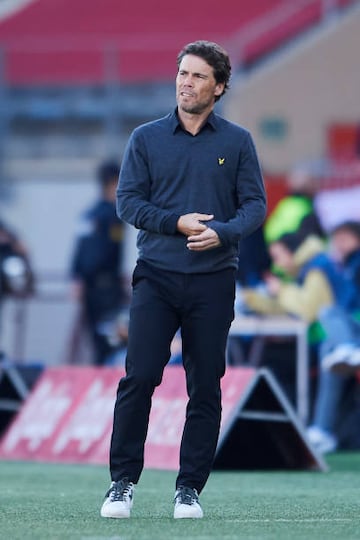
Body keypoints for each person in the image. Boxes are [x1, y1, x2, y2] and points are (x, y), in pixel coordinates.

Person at [100, 40, 266, 520]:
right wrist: (176, 223)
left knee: (206, 386)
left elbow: (254, 206)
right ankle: (121, 483)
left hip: (214, 280)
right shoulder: (145, 138)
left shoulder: (236, 142)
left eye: (196, 76)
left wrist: (223, 233)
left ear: (219, 87)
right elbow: (127, 203)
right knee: (140, 377)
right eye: (182, 74)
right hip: (156, 276)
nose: (185, 83)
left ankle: (189, 488)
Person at [70, 160, 127, 365]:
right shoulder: (112, 216)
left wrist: (78, 277)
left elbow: (79, 251)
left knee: (97, 339)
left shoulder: (89, 214)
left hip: (89, 288)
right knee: (111, 339)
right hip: (106, 289)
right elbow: (106, 253)